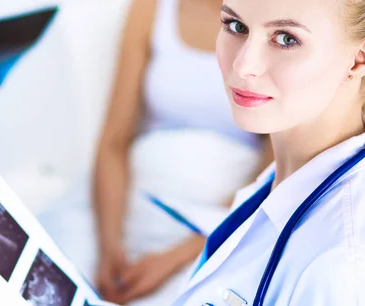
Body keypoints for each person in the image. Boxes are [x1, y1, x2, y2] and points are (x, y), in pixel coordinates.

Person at [38, 0, 273, 305]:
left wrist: (179, 256)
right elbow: (113, 141)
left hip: (217, 222)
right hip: (130, 199)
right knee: (47, 274)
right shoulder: (152, 7)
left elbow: (274, 177)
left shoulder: (277, 19)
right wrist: (110, 247)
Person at [172, 0, 365, 303]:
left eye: (287, 39)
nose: (243, 65)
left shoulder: (340, 262)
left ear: (357, 59)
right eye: (236, 26)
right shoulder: (287, 175)